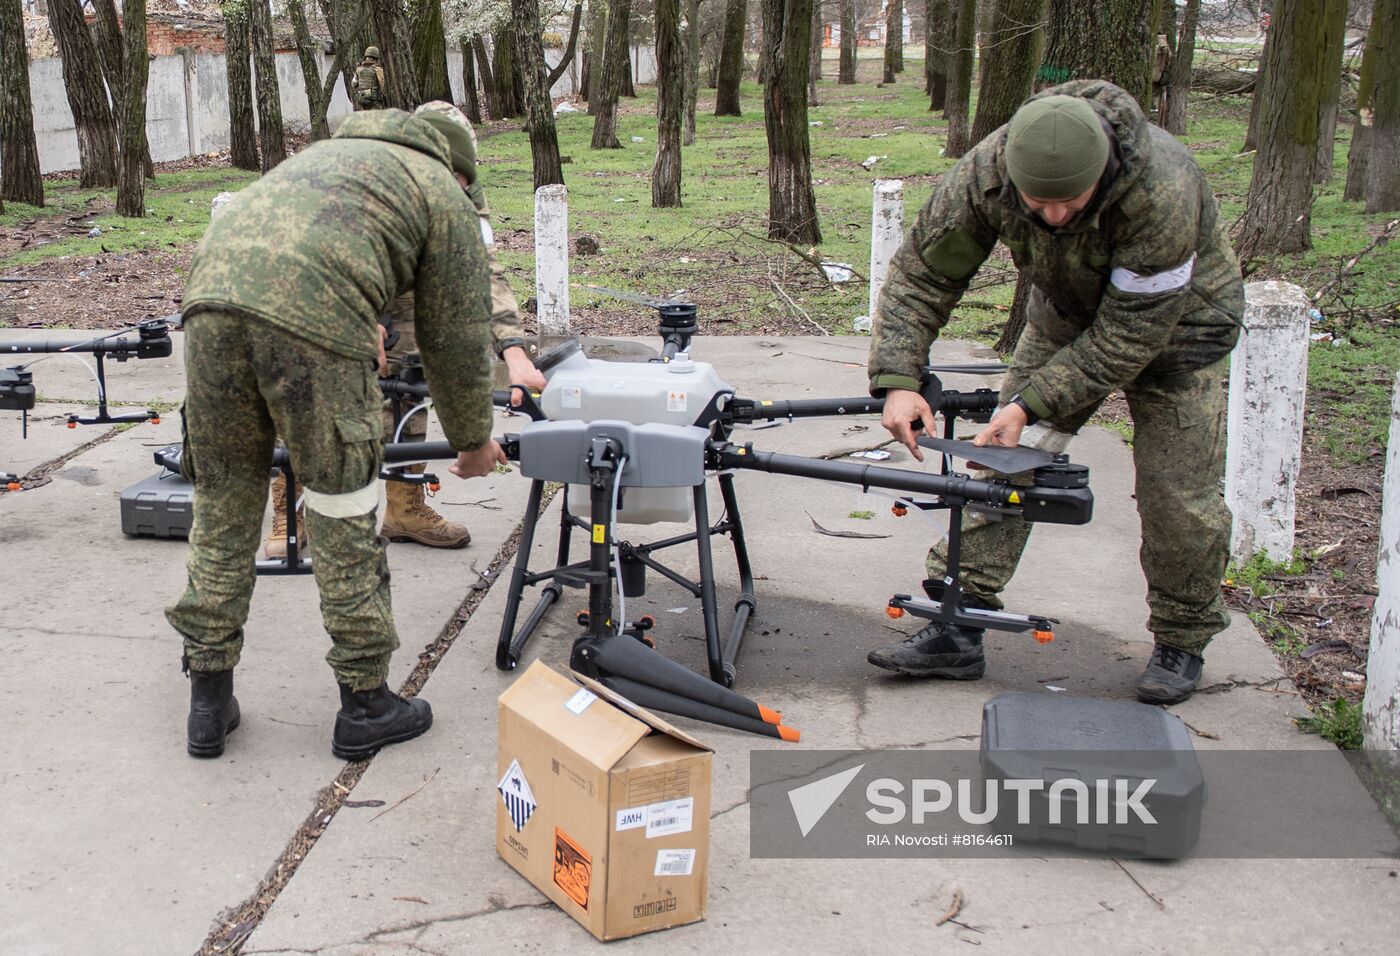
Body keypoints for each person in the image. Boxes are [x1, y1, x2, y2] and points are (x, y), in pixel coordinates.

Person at [866, 80, 1244, 705]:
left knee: (1177, 494)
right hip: (1065, 317)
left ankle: (1182, 637)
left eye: (1072, 201)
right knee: (1001, 461)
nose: (1056, 217)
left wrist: (1027, 403)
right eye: (1039, 203)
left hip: (1181, 334)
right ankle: (961, 621)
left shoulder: (1162, 190)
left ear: (1104, 173)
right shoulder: (986, 174)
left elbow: (1128, 337)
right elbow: (925, 272)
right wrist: (900, 379)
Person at [168, 105, 506, 760]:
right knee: (342, 505)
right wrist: (472, 437)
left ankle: (207, 701)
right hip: (308, 324)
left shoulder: (326, 161)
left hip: (208, 305)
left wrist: (362, 326)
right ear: (461, 173)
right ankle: (366, 703)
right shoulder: (441, 190)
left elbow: (308, 257)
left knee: (224, 500)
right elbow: (456, 336)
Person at [264, 102, 547, 557]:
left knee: (410, 380)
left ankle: (405, 506)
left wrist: (514, 349)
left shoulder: (460, 187)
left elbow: (480, 271)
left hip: (400, 277)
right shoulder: (356, 173)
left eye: (460, 184)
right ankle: (291, 514)